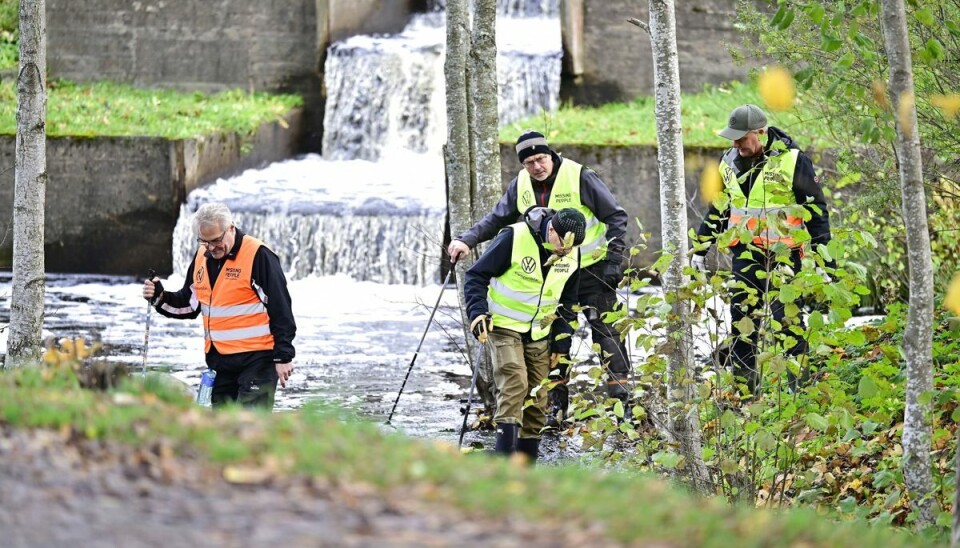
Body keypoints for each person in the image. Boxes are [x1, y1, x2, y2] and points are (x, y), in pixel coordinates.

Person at [448, 130, 631, 426]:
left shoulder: (579, 176)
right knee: (557, 341)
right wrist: (467, 240)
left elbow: (616, 217)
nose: (537, 167)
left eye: (541, 158)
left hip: (594, 272)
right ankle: (555, 410)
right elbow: (497, 219)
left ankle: (621, 408)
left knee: (607, 337)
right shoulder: (519, 185)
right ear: (522, 165)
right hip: (555, 277)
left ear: (551, 155)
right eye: (529, 162)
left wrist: (614, 259)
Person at [691, 104, 833, 394]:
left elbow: (816, 211)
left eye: (741, 138)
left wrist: (824, 261)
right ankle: (745, 391)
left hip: (785, 254)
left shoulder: (793, 160)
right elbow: (717, 211)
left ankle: (799, 389)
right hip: (745, 254)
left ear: (761, 132)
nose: (735, 144)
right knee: (742, 320)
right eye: (732, 138)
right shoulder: (727, 162)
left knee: (787, 320)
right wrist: (699, 250)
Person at [142, 202, 296, 409]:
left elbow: (281, 309)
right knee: (222, 430)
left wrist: (283, 356)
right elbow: (188, 305)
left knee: (248, 428)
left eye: (216, 240)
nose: (211, 248)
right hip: (221, 364)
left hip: (259, 360)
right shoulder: (201, 257)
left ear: (231, 228)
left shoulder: (259, 256)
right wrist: (159, 297)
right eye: (204, 242)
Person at [464, 207, 584, 461]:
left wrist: (563, 344)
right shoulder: (514, 237)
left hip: (539, 332)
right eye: (563, 245)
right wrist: (477, 313)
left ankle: (526, 464)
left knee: (539, 397)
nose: (566, 252)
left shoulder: (572, 254)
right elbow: (476, 275)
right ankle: (504, 460)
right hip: (503, 325)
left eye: (572, 248)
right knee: (514, 383)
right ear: (551, 229)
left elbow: (569, 301)